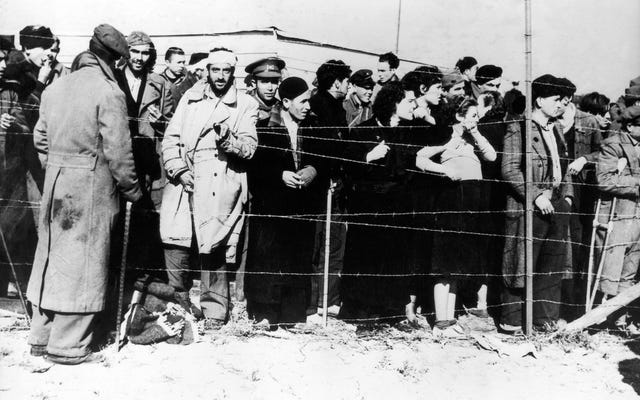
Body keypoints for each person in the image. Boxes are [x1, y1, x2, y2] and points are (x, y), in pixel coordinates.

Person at [26, 24, 141, 365]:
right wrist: (132, 188)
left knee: (50, 260)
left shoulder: (55, 88)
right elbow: (119, 152)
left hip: (56, 185)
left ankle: (40, 337)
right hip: (91, 188)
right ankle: (68, 346)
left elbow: (40, 140)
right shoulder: (109, 93)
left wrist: (59, 168)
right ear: (116, 62)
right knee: (82, 265)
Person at [160, 47, 258, 325]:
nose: (221, 76)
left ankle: (214, 310)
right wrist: (178, 170)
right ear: (206, 71)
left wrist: (229, 140)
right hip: (185, 179)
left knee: (213, 246)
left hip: (220, 181)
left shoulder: (246, 105)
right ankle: (177, 309)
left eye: (227, 71)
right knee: (176, 242)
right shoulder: (190, 99)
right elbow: (171, 139)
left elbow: (250, 148)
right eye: (215, 70)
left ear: (233, 73)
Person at [245, 77, 327, 327]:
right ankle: (265, 314)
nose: (306, 107)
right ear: (286, 102)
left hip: (302, 206)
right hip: (272, 207)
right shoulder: (265, 126)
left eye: (308, 102)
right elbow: (254, 166)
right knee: (269, 259)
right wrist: (279, 175)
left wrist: (313, 170)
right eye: (302, 102)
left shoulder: (313, 126)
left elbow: (325, 158)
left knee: (298, 258)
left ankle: (292, 315)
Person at [414, 97, 497, 336]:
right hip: (453, 198)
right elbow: (420, 158)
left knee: (458, 262)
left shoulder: (474, 138)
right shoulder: (446, 135)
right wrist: (445, 170)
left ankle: (449, 320)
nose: (476, 119)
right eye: (472, 115)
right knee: (445, 261)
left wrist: (476, 132)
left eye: (477, 116)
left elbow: (491, 156)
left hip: (473, 199)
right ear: (459, 116)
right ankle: (442, 322)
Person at [501, 74, 574, 333]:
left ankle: (544, 319)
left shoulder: (557, 130)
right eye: (557, 100)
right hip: (528, 204)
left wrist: (566, 196)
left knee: (552, 264)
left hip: (556, 202)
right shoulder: (518, 127)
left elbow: (564, 168)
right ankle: (513, 320)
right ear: (540, 100)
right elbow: (510, 169)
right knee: (522, 261)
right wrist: (535, 195)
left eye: (565, 101)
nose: (562, 105)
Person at [339, 81, 417, 323]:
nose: (413, 105)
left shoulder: (406, 132)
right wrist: (368, 157)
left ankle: (389, 312)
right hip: (370, 206)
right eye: (408, 101)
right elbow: (347, 168)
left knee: (394, 258)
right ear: (394, 104)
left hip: (398, 206)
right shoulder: (363, 130)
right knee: (367, 258)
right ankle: (362, 313)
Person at [114, 30, 174, 274]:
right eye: (135, 52)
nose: (139, 58)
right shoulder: (113, 78)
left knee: (142, 216)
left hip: (146, 158)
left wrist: (161, 122)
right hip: (117, 154)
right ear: (127, 53)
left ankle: (136, 274)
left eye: (145, 53)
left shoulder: (160, 85)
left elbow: (173, 127)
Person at [307, 60, 352, 318]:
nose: (348, 85)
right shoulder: (319, 106)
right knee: (322, 243)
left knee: (334, 242)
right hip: (323, 186)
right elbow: (322, 148)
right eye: (346, 81)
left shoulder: (336, 107)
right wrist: (330, 174)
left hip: (336, 184)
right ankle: (317, 299)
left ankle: (329, 298)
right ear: (337, 82)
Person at [593, 105, 640, 330]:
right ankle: (601, 316)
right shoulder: (613, 144)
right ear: (630, 126)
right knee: (611, 266)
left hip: (637, 214)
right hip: (618, 212)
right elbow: (604, 180)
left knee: (630, 266)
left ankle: (620, 317)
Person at [0, 46, 34, 297]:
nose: (2, 65)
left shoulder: (10, 91)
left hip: (8, 172)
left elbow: (25, 126)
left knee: (11, 228)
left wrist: (13, 125)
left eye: (3, 60)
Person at [244, 57, 286, 126]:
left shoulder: (280, 107)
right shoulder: (245, 106)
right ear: (254, 83)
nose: (270, 88)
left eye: (274, 82)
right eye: (265, 82)